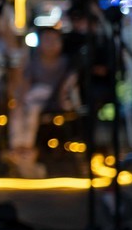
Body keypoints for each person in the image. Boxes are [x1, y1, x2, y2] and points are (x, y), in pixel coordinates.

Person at [5, 26, 80, 178]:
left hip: (53, 100)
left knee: (32, 110)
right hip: (32, 98)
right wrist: (19, 100)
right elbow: (26, 82)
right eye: (46, 40)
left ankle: (27, 147)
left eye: (54, 40)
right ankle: (17, 147)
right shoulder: (34, 61)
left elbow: (68, 86)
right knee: (18, 110)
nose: (51, 44)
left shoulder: (66, 63)